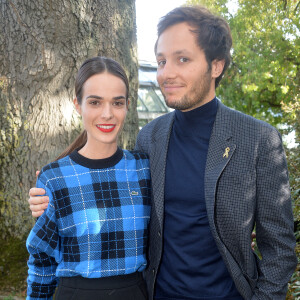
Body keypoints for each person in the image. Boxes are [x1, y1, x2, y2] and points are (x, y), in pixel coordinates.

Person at [28, 5, 297, 300]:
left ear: (216, 65)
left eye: (182, 59)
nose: (166, 73)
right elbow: (114, 185)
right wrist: (53, 190)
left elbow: (279, 250)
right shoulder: (150, 138)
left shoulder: (258, 139)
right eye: (161, 61)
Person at [26, 56, 151, 300]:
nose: (107, 114)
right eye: (95, 102)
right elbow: (42, 259)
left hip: (135, 293)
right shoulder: (54, 178)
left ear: (127, 106)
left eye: (117, 103)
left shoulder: (143, 168)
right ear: (78, 104)